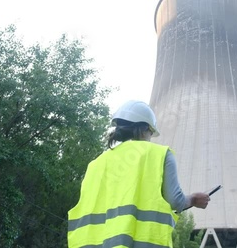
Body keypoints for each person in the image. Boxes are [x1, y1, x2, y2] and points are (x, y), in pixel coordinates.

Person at [68, 100, 210, 248]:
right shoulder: (160, 155)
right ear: (145, 129)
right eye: (151, 132)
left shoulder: (95, 165)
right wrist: (193, 199)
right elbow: (175, 201)